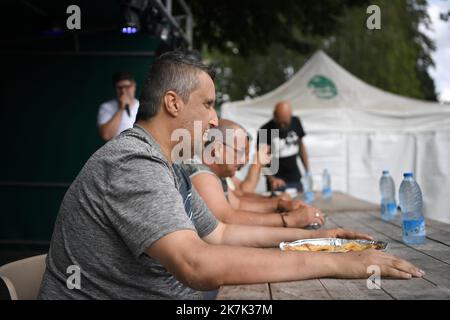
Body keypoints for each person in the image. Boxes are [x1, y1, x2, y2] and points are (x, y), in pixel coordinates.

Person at [39, 51, 423, 300]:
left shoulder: (170, 167)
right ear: (173, 102)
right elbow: (196, 266)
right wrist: (341, 264)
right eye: (207, 104)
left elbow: (221, 232)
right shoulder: (133, 162)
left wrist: (317, 238)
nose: (213, 119)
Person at [182, 123, 325, 227]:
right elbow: (229, 217)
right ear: (217, 148)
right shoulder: (201, 173)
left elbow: (238, 203)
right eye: (240, 152)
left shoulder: (217, 174)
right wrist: (287, 219)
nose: (244, 160)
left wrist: (279, 204)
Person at [258, 101, 309, 192]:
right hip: (276, 180)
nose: (282, 125)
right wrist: (271, 179)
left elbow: (301, 147)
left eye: (285, 123)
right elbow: (261, 161)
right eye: (279, 122)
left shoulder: (296, 122)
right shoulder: (264, 130)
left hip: (295, 178)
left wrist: (307, 170)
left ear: (290, 116)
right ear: (274, 116)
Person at [97, 71, 139, 141]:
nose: (123, 91)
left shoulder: (142, 106)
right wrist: (121, 109)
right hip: (116, 151)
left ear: (134, 86)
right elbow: (106, 135)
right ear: (115, 89)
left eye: (127, 87)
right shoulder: (106, 107)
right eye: (119, 87)